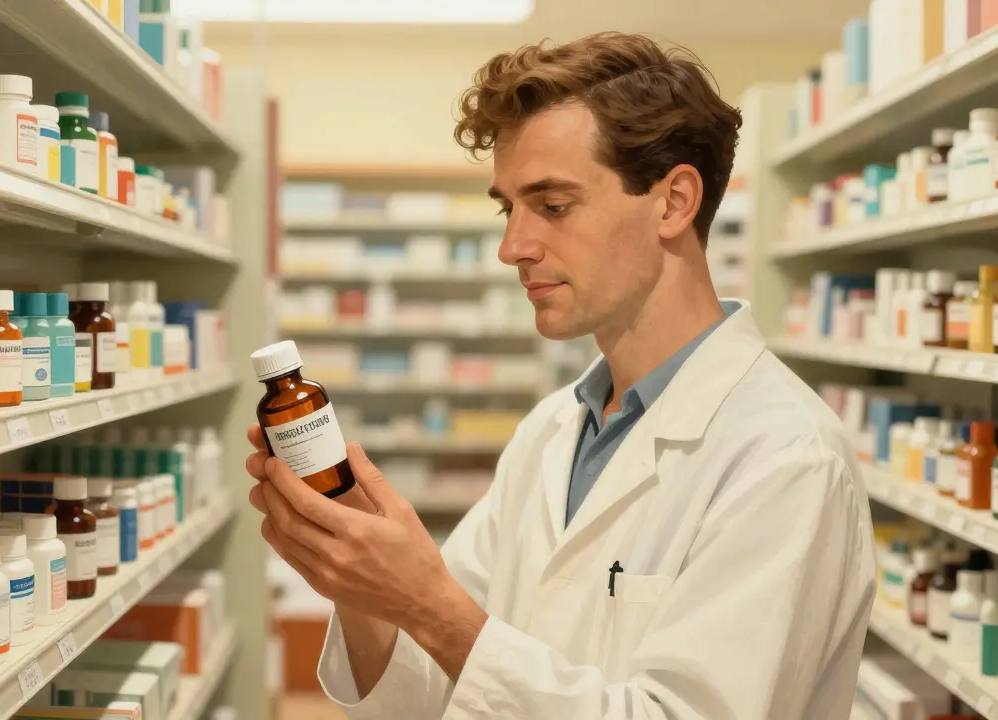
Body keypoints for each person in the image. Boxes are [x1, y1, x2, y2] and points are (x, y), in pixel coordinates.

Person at [246, 31, 874, 719]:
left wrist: (429, 605)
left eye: (552, 206)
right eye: (506, 208)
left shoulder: (786, 457)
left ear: (673, 202)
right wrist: (361, 583)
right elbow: (432, 691)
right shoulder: (551, 432)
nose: (512, 247)